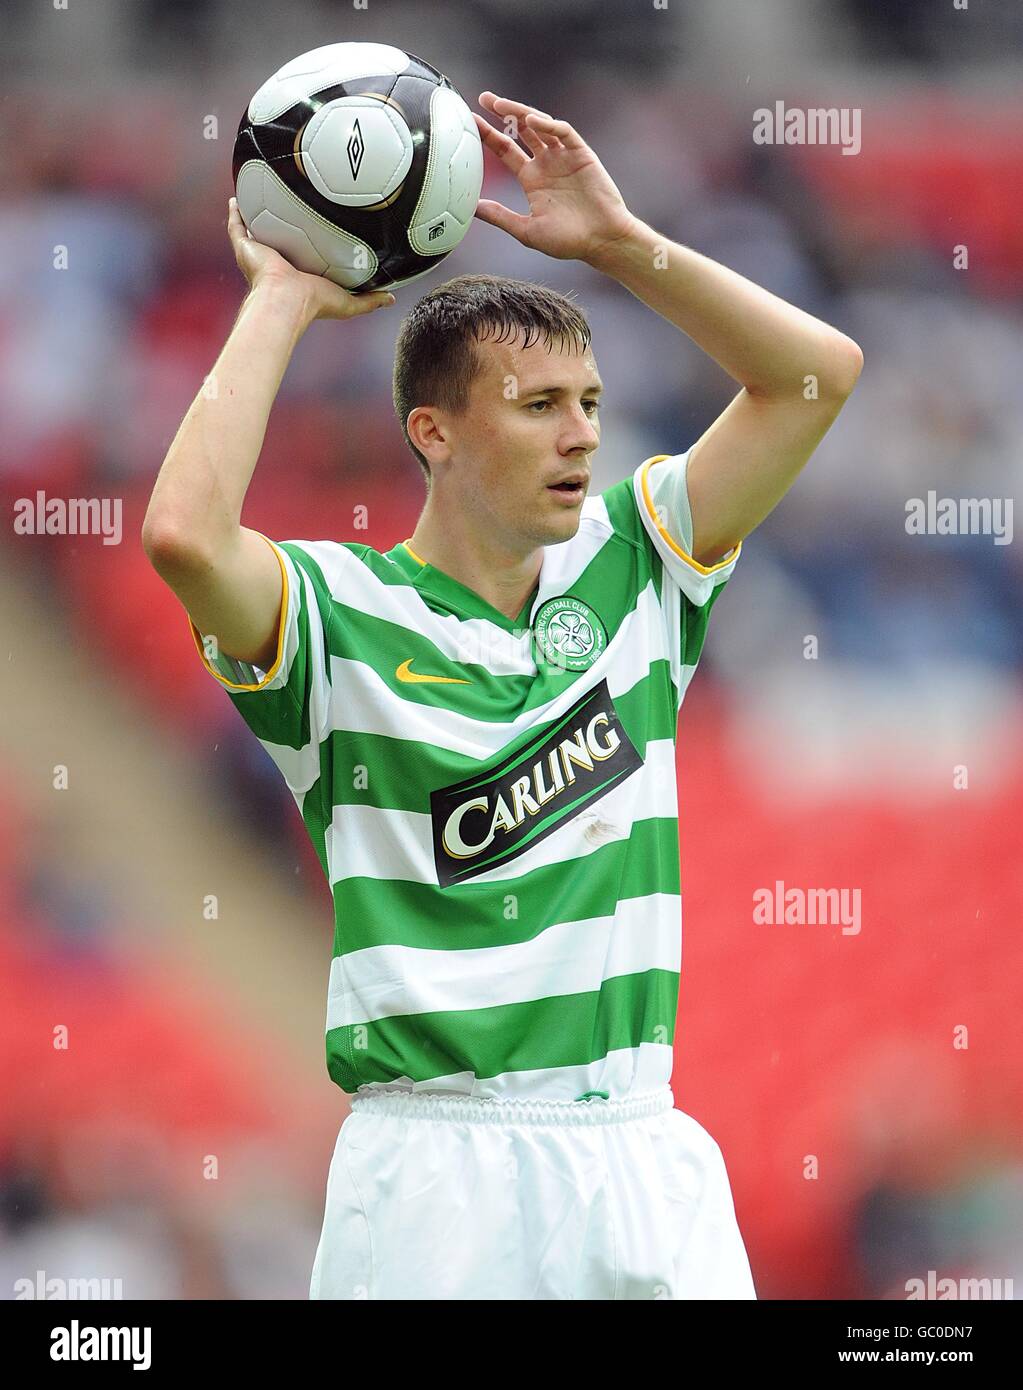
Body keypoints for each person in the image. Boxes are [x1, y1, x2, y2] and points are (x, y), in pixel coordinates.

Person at [142, 91, 862, 1300]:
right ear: (432, 431)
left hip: (639, 1144)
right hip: (438, 1173)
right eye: (538, 408)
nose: (581, 435)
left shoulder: (639, 565)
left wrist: (625, 247)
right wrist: (282, 297)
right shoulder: (336, 614)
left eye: (588, 403)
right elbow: (181, 535)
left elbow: (813, 378)